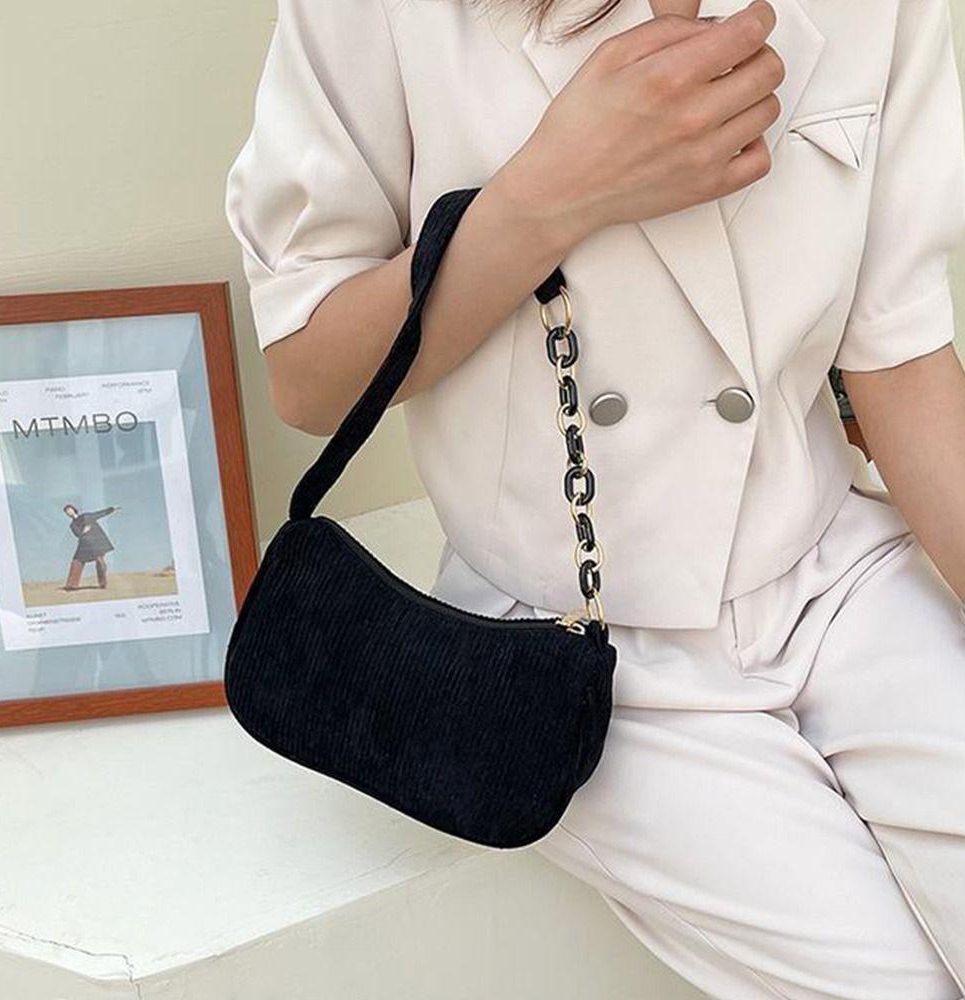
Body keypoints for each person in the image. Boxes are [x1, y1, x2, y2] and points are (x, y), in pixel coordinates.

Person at [223, 0, 965, 995]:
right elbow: (309, 378)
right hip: (570, 634)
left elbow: (901, 362)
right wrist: (550, 193)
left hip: (840, 572)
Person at [63, 503, 120, 590]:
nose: (69, 512)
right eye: (67, 512)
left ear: (74, 509)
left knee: (100, 562)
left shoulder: (86, 516)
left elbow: (99, 514)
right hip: (84, 545)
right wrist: (84, 531)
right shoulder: (72, 525)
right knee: (76, 562)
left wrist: (112, 509)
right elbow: (77, 534)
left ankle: (102, 583)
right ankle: (71, 585)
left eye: (69, 510)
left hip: (95, 543)